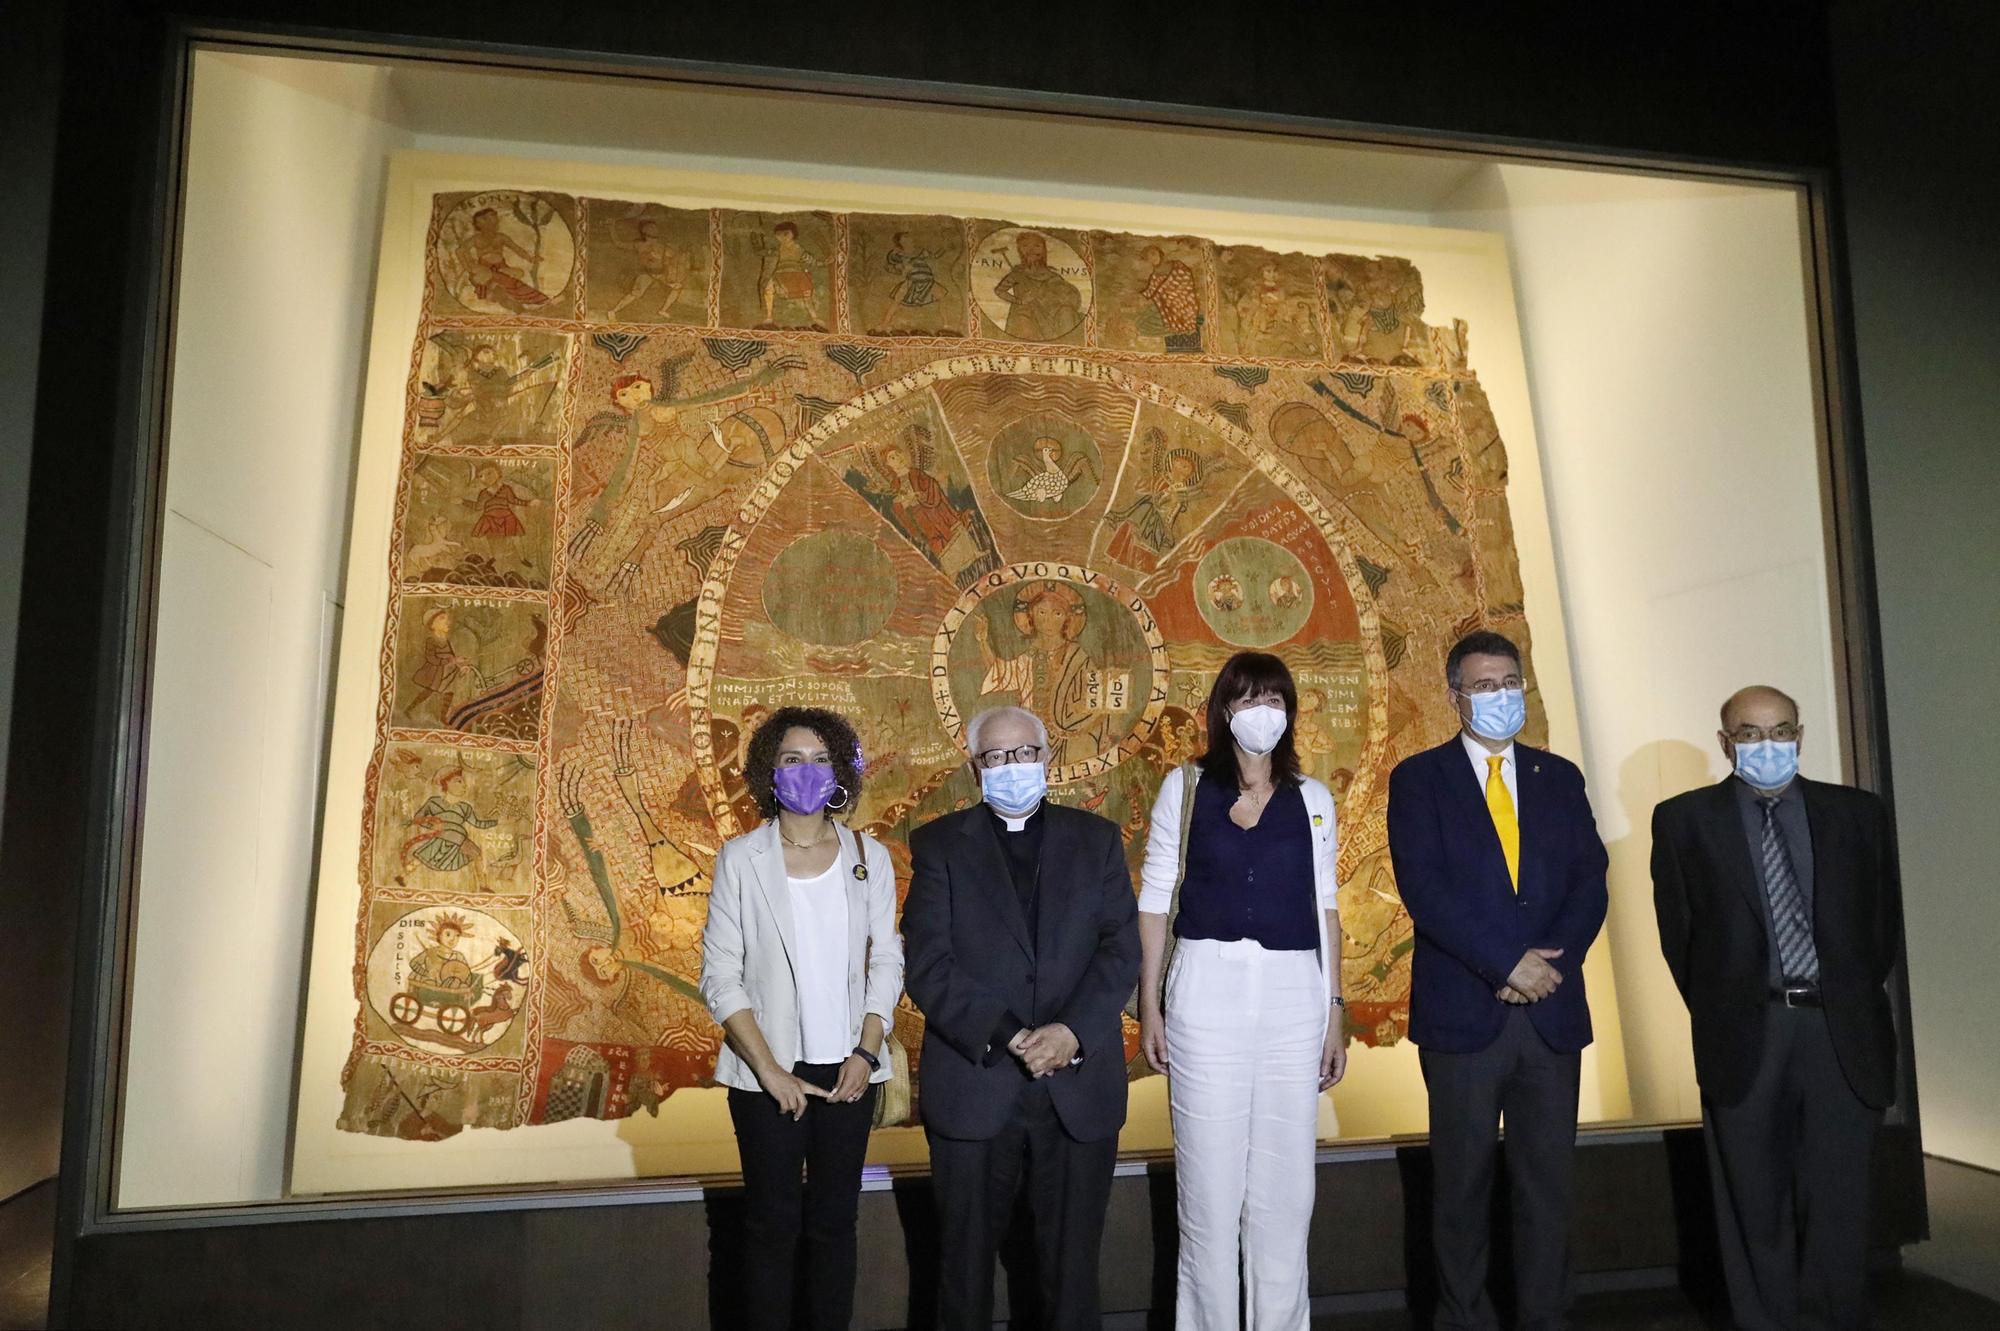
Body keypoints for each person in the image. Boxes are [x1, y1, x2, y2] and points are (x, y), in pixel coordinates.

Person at [1651, 686, 1900, 1331]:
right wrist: (1727, 1005)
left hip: (1840, 1031)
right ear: (1725, 743)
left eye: (1781, 730)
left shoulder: (1858, 814)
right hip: (1746, 1030)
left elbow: (1880, 929)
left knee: (1839, 1204)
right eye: (1751, 734)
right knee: (1752, 1203)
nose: (1769, 745)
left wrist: (1838, 995)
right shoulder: (1683, 820)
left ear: (1801, 734)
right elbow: (1680, 938)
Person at [1386, 629, 1608, 1331]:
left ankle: (1545, 1315)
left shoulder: (1559, 776)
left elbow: (1590, 882)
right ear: (1454, 696)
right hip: (1465, 1016)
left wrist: (1549, 963)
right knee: (1462, 1186)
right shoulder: (1419, 779)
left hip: (1550, 1014)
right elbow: (1426, 890)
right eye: (1483, 685)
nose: (1500, 696)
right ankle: (1464, 1317)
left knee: (1547, 1186)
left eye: (1509, 682)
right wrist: (1506, 961)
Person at [903, 704, 1139, 1330]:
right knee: (964, 1273)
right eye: (997, 757)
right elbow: (927, 964)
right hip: (976, 1084)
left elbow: (1121, 950)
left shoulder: (1097, 840)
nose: (1014, 767)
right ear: (974, 767)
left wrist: (1069, 1032)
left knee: (1071, 1275)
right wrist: (1012, 1035)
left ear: (1047, 759)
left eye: (1025, 753)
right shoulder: (937, 845)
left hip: (1078, 1086)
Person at [1135, 650, 1347, 1329]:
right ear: (1224, 709)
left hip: (1294, 995)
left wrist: (1334, 1010)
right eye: (1250, 699)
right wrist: (1149, 1001)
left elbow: (1327, 906)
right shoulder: (1187, 786)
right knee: (1209, 1195)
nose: (1265, 713)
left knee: (1287, 1195)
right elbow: (1155, 899)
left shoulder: (1312, 798)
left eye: (1276, 700)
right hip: (1206, 990)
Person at [698, 707, 904, 1331]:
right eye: (791, 759)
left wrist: (865, 1055)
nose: (806, 771)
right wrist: (770, 1071)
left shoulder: (870, 856)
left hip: (849, 1069)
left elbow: (887, 961)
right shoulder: (741, 857)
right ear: (770, 772)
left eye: (820, 758)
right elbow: (720, 976)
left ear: (840, 770)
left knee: (835, 1225)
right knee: (770, 1224)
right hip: (766, 1072)